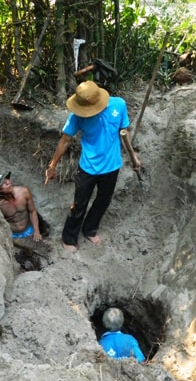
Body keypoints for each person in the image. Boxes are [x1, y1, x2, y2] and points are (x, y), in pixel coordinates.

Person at [45, 80, 141, 252]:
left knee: (104, 199)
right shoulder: (77, 116)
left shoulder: (119, 105)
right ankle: (69, 237)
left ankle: (90, 228)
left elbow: (123, 132)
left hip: (112, 165)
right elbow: (65, 140)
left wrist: (133, 157)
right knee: (79, 203)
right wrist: (52, 165)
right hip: (88, 167)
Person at [0, 171, 47, 242]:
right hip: (12, 235)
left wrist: (36, 231)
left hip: (29, 230)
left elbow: (32, 211)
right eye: (3, 183)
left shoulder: (24, 192)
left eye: (6, 179)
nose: (8, 182)